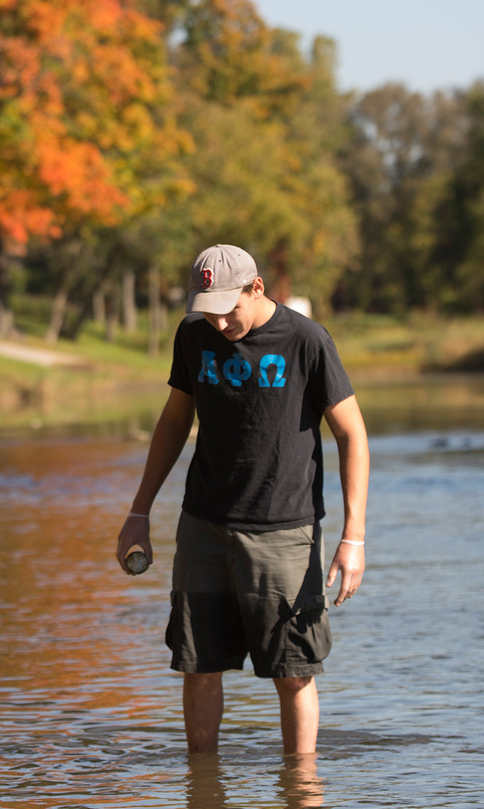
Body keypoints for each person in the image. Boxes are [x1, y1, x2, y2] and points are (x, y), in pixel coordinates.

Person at [116, 245, 370, 757]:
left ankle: (302, 800)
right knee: (198, 663)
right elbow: (173, 421)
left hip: (284, 531)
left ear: (257, 289)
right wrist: (138, 512)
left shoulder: (306, 341)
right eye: (208, 310)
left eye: (229, 308)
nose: (219, 322)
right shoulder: (194, 336)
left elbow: (352, 436)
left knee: (293, 671)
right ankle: (201, 790)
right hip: (203, 525)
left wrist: (353, 536)